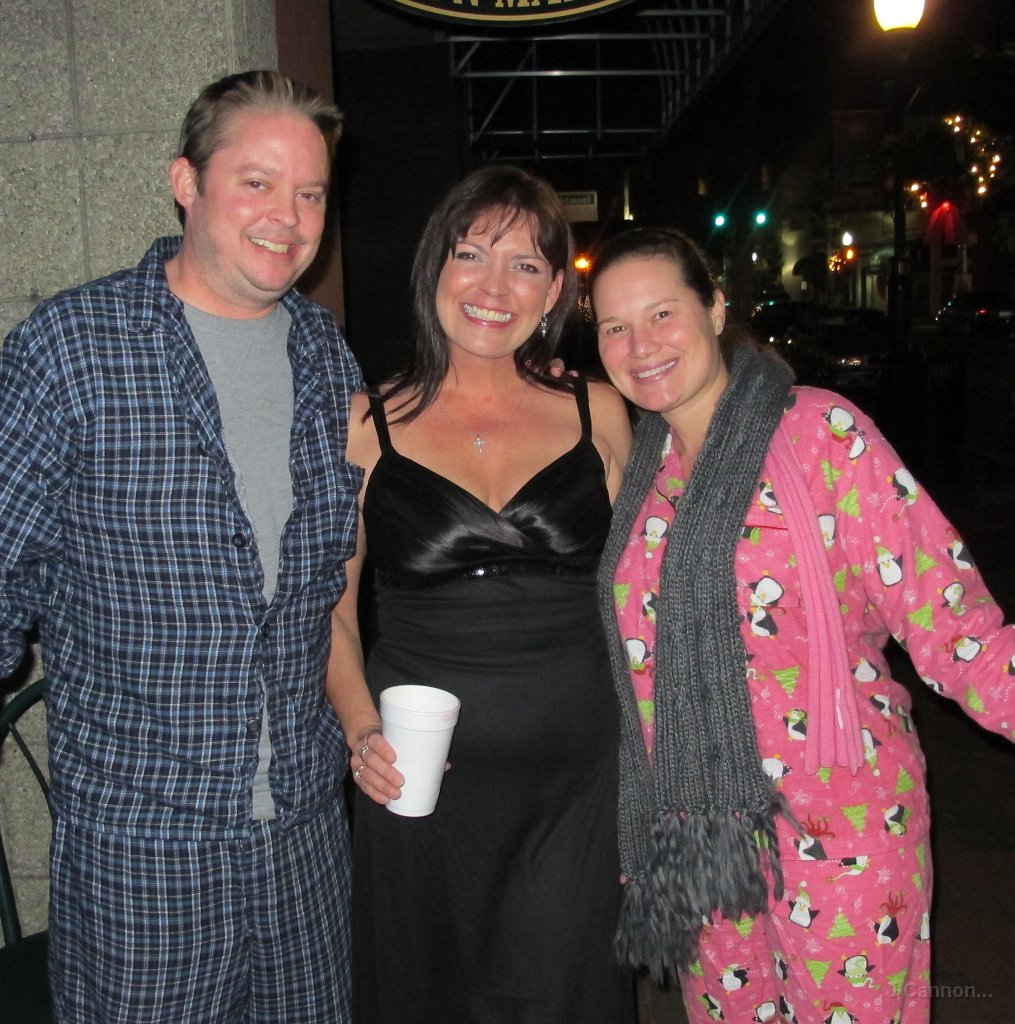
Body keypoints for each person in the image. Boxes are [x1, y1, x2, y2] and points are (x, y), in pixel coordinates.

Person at [0, 71, 362, 1023]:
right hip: (143, 857)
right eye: (257, 182)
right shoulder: (70, 349)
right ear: (185, 183)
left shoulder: (327, 357)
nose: (288, 217)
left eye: (310, 192)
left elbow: (330, 588)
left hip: (304, 845)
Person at [588, 226, 1015, 1024]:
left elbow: (954, 627)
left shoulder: (821, 434)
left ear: (716, 309)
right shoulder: (642, 470)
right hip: (703, 843)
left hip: (842, 823)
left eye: (661, 313)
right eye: (615, 326)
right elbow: (640, 676)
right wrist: (640, 817)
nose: (639, 345)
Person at [326, 164, 634, 1023]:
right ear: (434, 267)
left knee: (563, 998)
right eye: (471, 254)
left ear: (553, 293)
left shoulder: (600, 411)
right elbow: (333, 613)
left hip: (577, 787)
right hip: (418, 786)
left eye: (525, 265)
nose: (494, 288)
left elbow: (649, 600)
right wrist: (360, 729)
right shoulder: (364, 423)